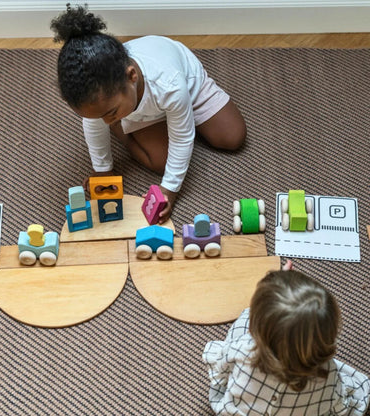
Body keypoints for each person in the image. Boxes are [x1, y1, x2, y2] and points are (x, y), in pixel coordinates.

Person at [50, 5, 246, 223]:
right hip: (141, 110)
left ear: (131, 76)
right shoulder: (103, 99)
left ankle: (129, 123)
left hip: (186, 87)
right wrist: (103, 169)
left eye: (111, 113)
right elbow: (93, 125)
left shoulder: (169, 84)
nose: (104, 120)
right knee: (162, 163)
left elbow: (182, 137)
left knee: (233, 137)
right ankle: (122, 129)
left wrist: (170, 189)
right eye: (100, 117)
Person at [203, 269, 370, 415]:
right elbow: (337, 403)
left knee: (243, 319)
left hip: (239, 411)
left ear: (257, 330)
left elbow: (220, 370)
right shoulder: (327, 372)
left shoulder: (242, 350)